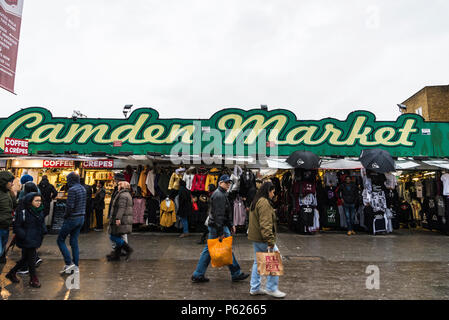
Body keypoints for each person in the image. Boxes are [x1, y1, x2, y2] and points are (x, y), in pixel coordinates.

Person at [191, 175, 250, 283]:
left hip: (218, 226)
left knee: (209, 250)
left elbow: (224, 213)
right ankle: (236, 273)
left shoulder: (222, 194)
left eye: (229, 183)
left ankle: (198, 274)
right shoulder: (219, 195)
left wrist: (230, 224)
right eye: (226, 182)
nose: (228, 184)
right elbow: (219, 215)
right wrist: (221, 232)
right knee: (226, 249)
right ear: (220, 183)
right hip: (218, 226)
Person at [247, 181, 286, 298]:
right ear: (268, 191)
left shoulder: (257, 200)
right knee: (274, 261)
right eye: (273, 192)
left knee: (257, 262)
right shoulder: (264, 203)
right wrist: (270, 241)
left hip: (257, 237)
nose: (273, 195)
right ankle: (272, 288)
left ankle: (255, 288)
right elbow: (265, 224)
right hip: (263, 238)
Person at [5, 193, 47, 288]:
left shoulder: (39, 210)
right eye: (36, 200)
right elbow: (17, 226)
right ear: (30, 201)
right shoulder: (22, 211)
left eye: (40, 201)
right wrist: (24, 235)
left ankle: (11, 273)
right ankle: (33, 279)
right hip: (26, 239)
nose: (39, 203)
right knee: (31, 259)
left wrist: (44, 231)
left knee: (26, 259)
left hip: (36, 238)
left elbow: (41, 223)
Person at [57, 172, 86, 274]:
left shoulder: (72, 190)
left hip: (72, 218)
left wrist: (65, 216)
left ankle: (69, 263)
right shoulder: (83, 188)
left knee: (60, 240)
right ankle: (76, 266)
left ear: (70, 180)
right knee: (74, 242)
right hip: (81, 218)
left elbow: (70, 206)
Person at [107, 181, 133, 261]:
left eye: (119, 185)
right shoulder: (125, 194)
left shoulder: (123, 195)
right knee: (117, 235)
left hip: (121, 219)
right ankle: (116, 255)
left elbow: (121, 207)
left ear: (123, 187)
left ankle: (128, 249)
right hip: (123, 218)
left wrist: (118, 218)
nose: (117, 186)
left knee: (113, 236)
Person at [0, 171, 15, 264]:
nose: (12, 184)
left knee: (3, 248)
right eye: (10, 181)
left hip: (6, 226)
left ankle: (2, 258)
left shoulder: (9, 193)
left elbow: (14, 205)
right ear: (4, 182)